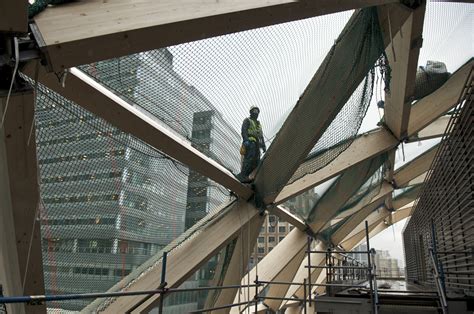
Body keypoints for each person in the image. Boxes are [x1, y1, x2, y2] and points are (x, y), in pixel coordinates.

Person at [236, 106, 266, 182]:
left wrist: (263, 145)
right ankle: (243, 175)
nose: (256, 113)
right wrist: (246, 140)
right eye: (254, 111)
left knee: (256, 161)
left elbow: (261, 136)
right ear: (251, 112)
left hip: (257, 144)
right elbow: (244, 131)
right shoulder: (247, 120)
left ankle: (252, 178)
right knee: (249, 159)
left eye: (257, 111)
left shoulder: (258, 124)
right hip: (250, 143)